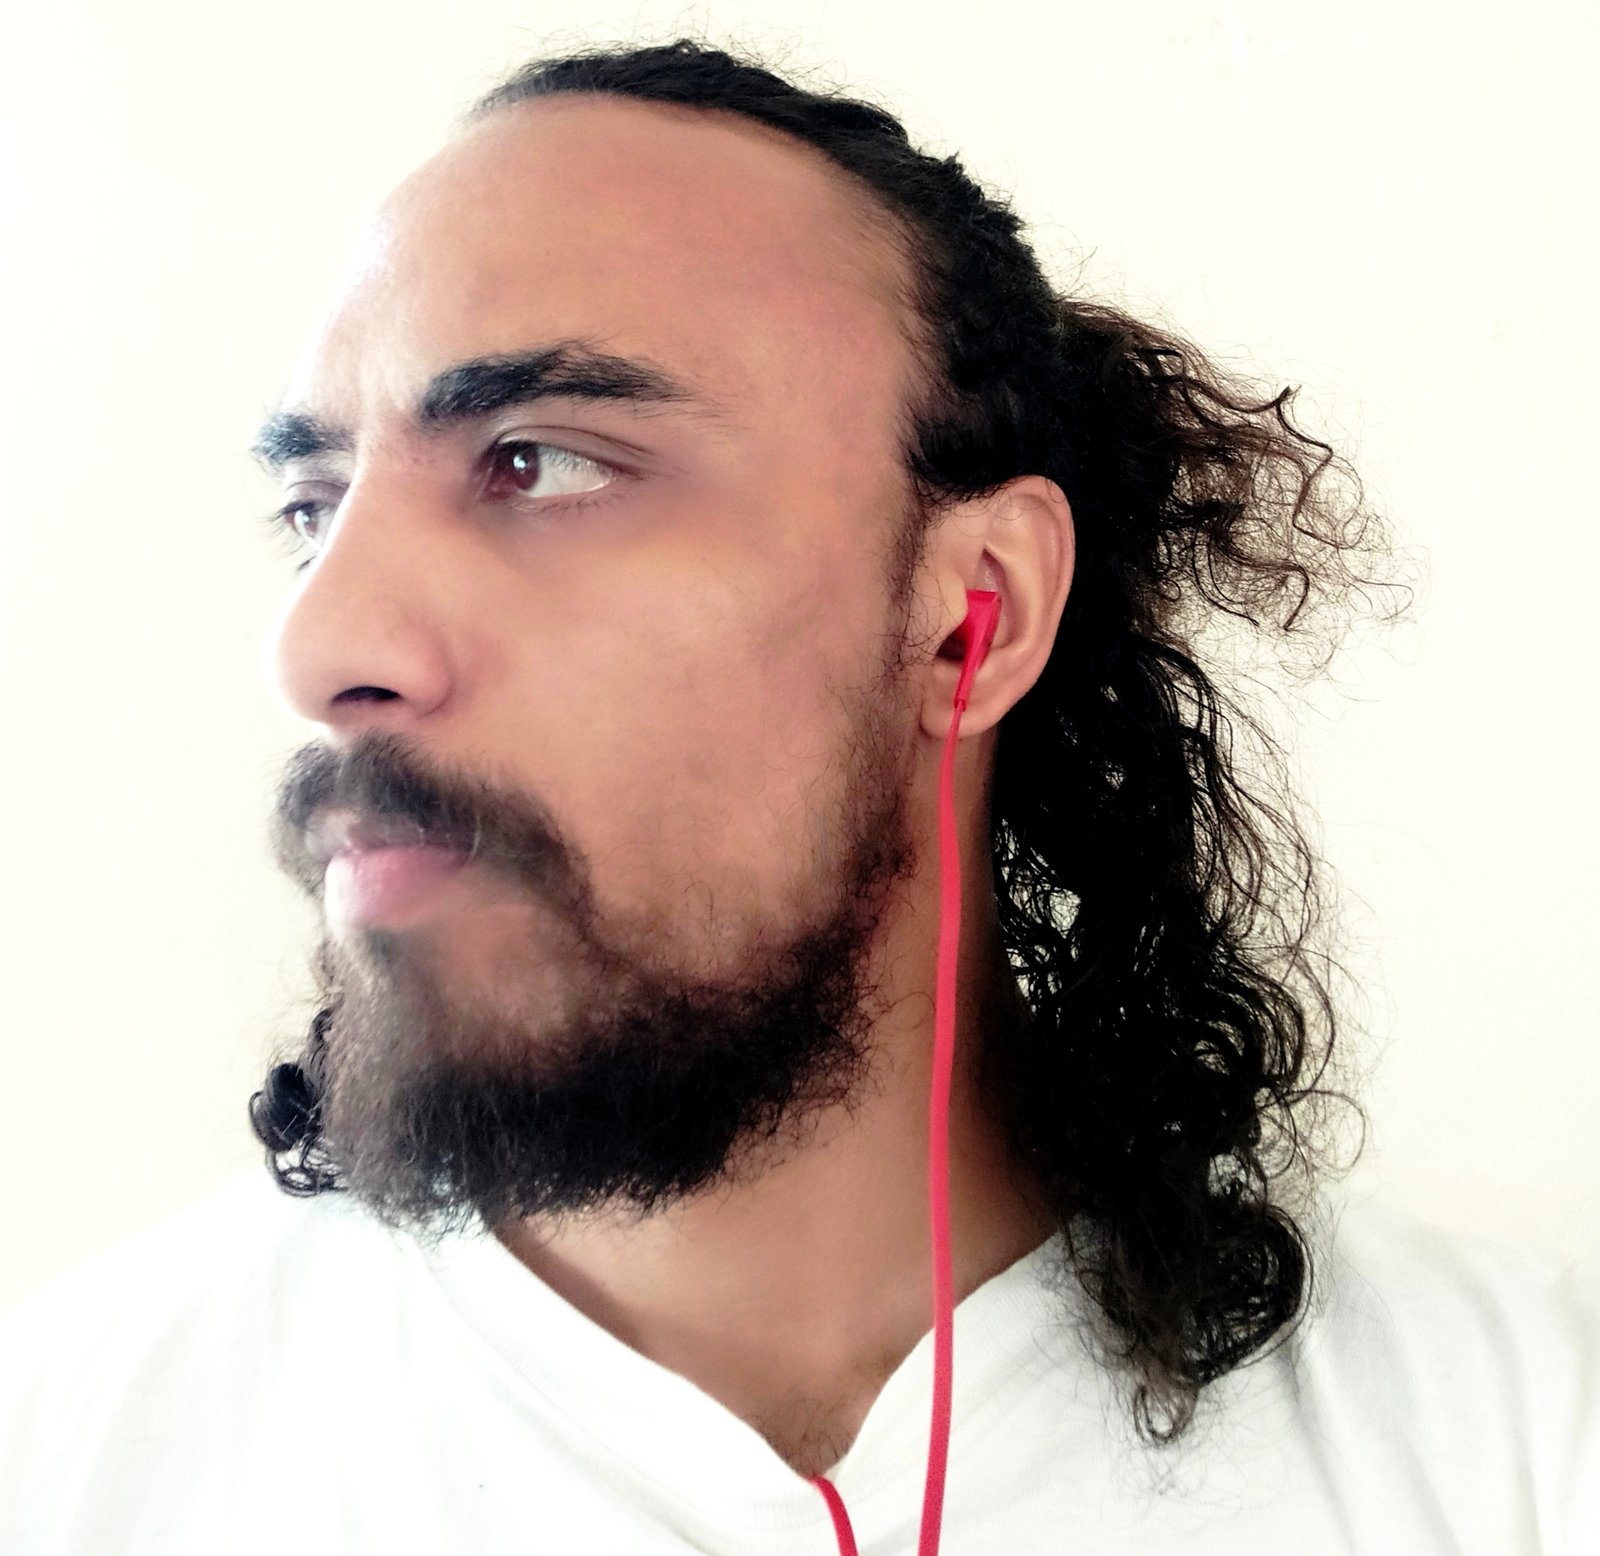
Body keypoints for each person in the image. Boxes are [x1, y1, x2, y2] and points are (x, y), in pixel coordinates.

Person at [1, 36, 1594, 1556]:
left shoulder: (1518, 1449)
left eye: (541, 462)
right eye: (313, 507)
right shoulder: (70, 1467)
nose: (320, 647)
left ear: (974, 615)